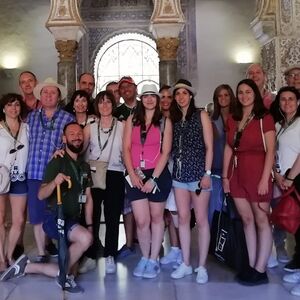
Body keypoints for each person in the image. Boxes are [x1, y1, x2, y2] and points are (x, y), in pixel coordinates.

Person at [0, 122, 93, 294]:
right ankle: (62, 274)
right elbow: (41, 195)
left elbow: (88, 199)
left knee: (69, 270)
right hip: (54, 218)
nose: (77, 136)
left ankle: (27, 267)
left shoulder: (84, 166)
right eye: (71, 133)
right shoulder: (57, 162)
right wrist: (54, 182)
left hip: (72, 219)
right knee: (85, 239)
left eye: (80, 133)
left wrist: (90, 225)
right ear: (64, 138)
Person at [222, 78, 275, 285]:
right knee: (246, 220)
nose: (244, 96)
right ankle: (251, 264)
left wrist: (264, 179)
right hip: (237, 173)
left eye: (248, 92)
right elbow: (228, 147)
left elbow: (270, 149)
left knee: (262, 220)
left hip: (257, 172)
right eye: (241, 92)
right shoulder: (234, 118)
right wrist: (226, 177)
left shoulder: (265, 117)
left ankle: (261, 269)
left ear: (255, 94)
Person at [123, 83, 172, 279]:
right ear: (141, 99)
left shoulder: (165, 122)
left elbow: (166, 151)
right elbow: (126, 148)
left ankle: (154, 259)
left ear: (158, 100)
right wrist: (132, 174)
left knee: (156, 218)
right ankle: (144, 256)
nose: (149, 99)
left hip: (157, 174)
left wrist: (154, 178)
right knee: (142, 220)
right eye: (146, 96)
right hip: (135, 173)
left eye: (153, 96)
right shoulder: (131, 119)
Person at [169, 79, 213, 284]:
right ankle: (186, 263)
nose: (181, 97)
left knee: (202, 220)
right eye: (177, 94)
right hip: (179, 176)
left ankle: (202, 266)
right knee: (184, 220)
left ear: (191, 95)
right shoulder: (174, 119)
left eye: (184, 93)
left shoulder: (201, 115)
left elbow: (209, 146)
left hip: (198, 176)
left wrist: (207, 173)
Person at [26, 78, 75, 262]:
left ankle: (56, 244)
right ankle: (41, 252)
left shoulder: (67, 118)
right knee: (37, 214)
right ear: (40, 96)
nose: (48, 95)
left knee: (53, 212)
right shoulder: (31, 117)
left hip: (55, 174)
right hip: (33, 171)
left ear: (59, 97)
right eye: (45, 92)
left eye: (52, 92)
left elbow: (71, 144)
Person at [81, 90, 125, 274]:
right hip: (94, 173)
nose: (105, 105)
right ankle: (91, 254)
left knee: (113, 215)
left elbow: (128, 150)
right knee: (92, 215)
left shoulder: (122, 125)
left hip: (115, 172)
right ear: (96, 106)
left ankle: (110, 255)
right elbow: (80, 150)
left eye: (108, 102)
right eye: (101, 102)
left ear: (113, 105)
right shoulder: (90, 126)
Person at [0, 94, 28, 271]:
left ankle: (10, 255)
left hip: (20, 176)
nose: (13, 108)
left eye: (17, 104)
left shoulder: (27, 128)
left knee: (18, 219)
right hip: (1, 176)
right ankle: (0, 259)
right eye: (9, 105)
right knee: (1, 219)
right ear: (3, 108)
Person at [115, 76, 140, 259]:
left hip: (146, 163)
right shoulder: (117, 112)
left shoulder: (145, 106)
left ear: (135, 88)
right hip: (125, 163)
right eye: (122, 87)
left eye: (128, 86)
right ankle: (129, 242)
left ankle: (149, 241)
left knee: (146, 203)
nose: (126, 89)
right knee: (127, 205)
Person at [158, 85, 182, 268]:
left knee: (175, 210)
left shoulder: (178, 119)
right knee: (164, 211)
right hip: (157, 168)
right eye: (162, 97)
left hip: (175, 167)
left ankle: (179, 248)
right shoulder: (155, 119)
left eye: (168, 96)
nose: (165, 100)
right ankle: (173, 248)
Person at [208, 84, 236, 224]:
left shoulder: (239, 117)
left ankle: (235, 243)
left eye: (226, 95)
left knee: (235, 209)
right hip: (216, 169)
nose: (223, 98)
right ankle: (216, 242)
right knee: (215, 207)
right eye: (220, 95)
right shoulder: (211, 120)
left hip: (236, 170)